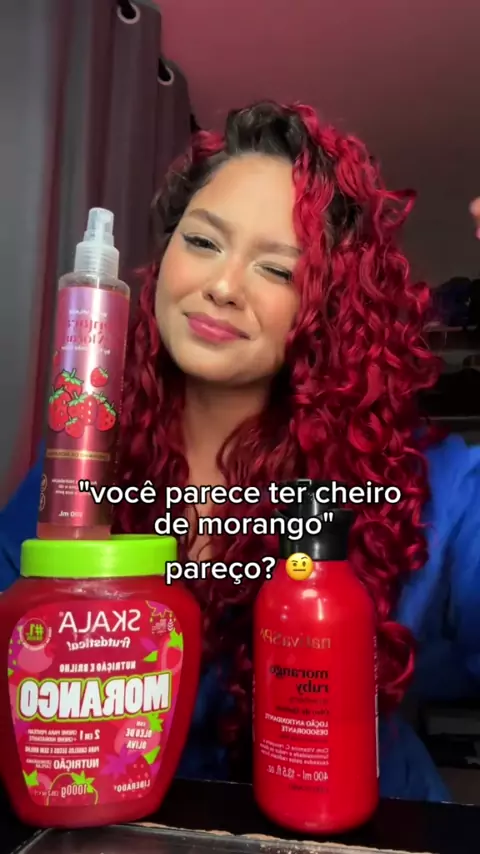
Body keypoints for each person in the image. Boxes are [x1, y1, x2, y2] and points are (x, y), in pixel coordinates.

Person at [2, 100, 480, 802]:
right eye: (202, 241)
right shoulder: (79, 466)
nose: (222, 287)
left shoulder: (426, 484)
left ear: (328, 309)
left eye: (279, 271)